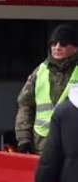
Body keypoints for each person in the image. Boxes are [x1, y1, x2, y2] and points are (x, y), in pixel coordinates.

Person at [16, 24, 78, 155]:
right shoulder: (40, 72)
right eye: (54, 43)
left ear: (75, 48)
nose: (57, 47)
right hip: (43, 147)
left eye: (63, 44)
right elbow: (25, 106)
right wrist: (24, 140)